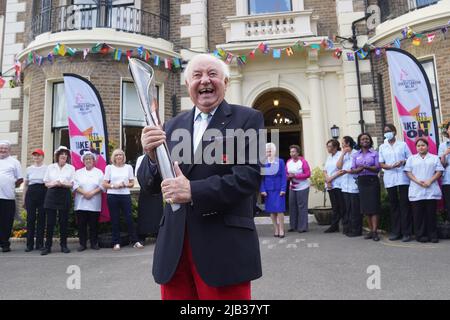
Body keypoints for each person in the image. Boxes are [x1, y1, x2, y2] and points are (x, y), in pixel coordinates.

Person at [139, 53, 263, 300]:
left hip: (223, 247)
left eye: (212, 74)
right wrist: (150, 156)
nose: (205, 80)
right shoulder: (171, 126)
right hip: (174, 248)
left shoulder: (248, 118)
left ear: (225, 82)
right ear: (188, 85)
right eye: (197, 75)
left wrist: (193, 191)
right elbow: (150, 185)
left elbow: (248, 177)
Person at [405, 138, 444, 243]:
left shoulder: (434, 158)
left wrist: (430, 181)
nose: (421, 147)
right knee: (418, 215)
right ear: (416, 147)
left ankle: (433, 235)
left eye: (423, 145)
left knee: (431, 214)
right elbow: (408, 172)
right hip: (416, 189)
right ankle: (420, 235)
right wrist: (417, 181)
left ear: (427, 146)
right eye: (418, 146)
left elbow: (439, 171)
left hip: (430, 189)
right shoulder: (411, 159)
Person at [103, 149, 142, 251]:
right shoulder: (109, 168)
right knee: (115, 219)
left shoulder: (128, 167)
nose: (119, 157)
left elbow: (132, 183)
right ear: (114, 157)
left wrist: (125, 184)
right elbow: (105, 184)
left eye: (121, 155)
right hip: (112, 195)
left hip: (125, 195)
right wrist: (114, 185)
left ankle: (135, 241)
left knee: (129, 218)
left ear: (123, 157)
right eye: (117, 155)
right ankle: (116, 242)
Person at [379, 124, 412, 242]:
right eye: (385, 131)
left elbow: (411, 158)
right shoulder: (382, 147)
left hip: (403, 178)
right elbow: (381, 163)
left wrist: (403, 162)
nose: (387, 133)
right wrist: (387, 166)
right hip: (390, 178)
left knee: (404, 205)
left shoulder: (402, 145)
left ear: (394, 132)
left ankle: (406, 233)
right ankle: (396, 232)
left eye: (389, 131)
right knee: (394, 205)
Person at [41, 146, 75, 255]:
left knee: (63, 222)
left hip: (64, 194)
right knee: (50, 223)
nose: (64, 156)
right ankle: (48, 246)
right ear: (57, 156)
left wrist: (63, 184)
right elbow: (46, 183)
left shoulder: (71, 168)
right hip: (52, 195)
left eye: (66, 155)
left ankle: (64, 245)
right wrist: (55, 183)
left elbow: (72, 184)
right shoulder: (51, 167)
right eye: (62, 155)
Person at [348, 133, 381, 241]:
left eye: (367, 138)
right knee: (366, 208)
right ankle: (371, 231)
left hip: (372, 181)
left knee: (374, 207)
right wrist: (361, 168)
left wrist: (366, 167)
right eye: (362, 139)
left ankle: (375, 231)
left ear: (370, 140)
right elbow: (353, 170)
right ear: (359, 141)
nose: (365, 140)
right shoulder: (355, 155)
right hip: (362, 181)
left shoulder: (375, 153)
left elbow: (377, 168)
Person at [73, 151, 104, 251]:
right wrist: (84, 193)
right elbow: (75, 185)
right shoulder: (78, 172)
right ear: (83, 161)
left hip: (94, 203)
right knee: (81, 225)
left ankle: (94, 243)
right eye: (86, 159)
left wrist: (92, 193)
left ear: (94, 161)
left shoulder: (99, 172)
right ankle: (82, 244)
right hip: (81, 203)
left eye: (90, 159)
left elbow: (102, 185)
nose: (88, 160)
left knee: (94, 225)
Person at [0, 141, 23, 253]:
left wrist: (9, 185)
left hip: (8, 197)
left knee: (7, 221)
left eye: (5, 148)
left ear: (9, 150)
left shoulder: (14, 162)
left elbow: (20, 179)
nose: (3, 150)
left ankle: (5, 244)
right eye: (1, 148)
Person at [336, 136, 361, 237]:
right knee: (348, 209)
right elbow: (338, 166)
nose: (341, 145)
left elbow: (358, 167)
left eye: (343, 143)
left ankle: (356, 230)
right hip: (345, 186)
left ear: (348, 143)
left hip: (354, 185)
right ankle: (349, 228)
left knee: (355, 209)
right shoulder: (344, 155)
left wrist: (348, 171)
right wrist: (342, 153)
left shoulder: (356, 153)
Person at [135, 154, 163, 244]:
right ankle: (142, 236)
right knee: (144, 214)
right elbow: (138, 173)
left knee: (157, 213)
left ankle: (158, 234)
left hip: (158, 189)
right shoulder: (140, 158)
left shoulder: (160, 155)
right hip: (145, 190)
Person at [260, 143, 287, 238]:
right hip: (268, 190)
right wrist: (262, 189)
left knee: (279, 210)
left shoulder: (280, 161)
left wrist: (283, 189)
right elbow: (261, 179)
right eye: (267, 151)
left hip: (279, 189)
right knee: (272, 211)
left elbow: (284, 176)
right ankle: (276, 228)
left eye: (270, 151)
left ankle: (281, 229)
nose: (268, 152)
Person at [23, 149, 47, 252]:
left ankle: (40, 244)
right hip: (31, 193)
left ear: (42, 157)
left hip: (43, 192)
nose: (36, 157)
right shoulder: (29, 169)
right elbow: (25, 185)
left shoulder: (47, 168)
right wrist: (24, 199)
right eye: (35, 156)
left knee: (41, 219)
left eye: (39, 155)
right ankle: (29, 245)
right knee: (30, 219)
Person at [286, 144, 311, 233]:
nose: (291, 154)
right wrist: (288, 177)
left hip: (302, 187)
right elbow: (286, 173)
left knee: (302, 207)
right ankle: (293, 226)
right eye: (290, 152)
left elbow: (308, 174)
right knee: (292, 206)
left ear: (298, 152)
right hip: (292, 187)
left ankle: (303, 227)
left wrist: (296, 175)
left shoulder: (303, 162)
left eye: (293, 152)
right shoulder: (289, 162)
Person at [323, 139, 345, 234]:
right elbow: (324, 170)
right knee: (335, 207)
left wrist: (330, 178)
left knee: (341, 206)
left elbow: (341, 170)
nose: (328, 148)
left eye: (329, 146)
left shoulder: (340, 155)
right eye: (327, 146)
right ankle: (334, 226)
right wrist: (327, 179)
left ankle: (343, 225)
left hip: (338, 184)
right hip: (330, 185)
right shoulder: (329, 157)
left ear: (335, 147)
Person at [438, 121, 450, 222]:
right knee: (449, 204)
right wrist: (444, 154)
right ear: (447, 131)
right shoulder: (443, 146)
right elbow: (442, 165)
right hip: (447, 179)